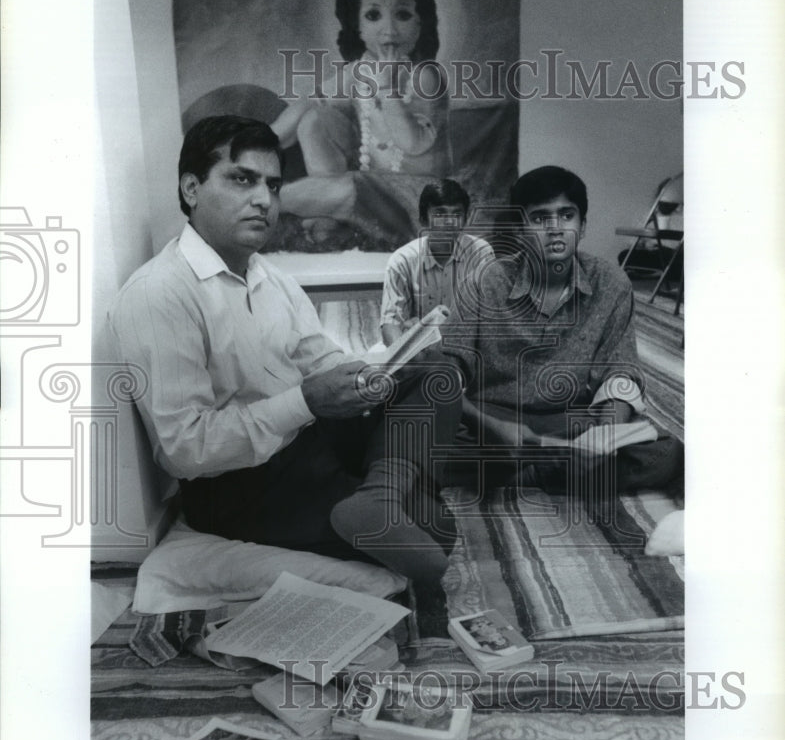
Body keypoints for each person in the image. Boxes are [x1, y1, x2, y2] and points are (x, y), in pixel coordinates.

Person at [110, 116, 464, 633]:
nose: (263, 199)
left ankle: (379, 494)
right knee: (436, 529)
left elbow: (322, 360)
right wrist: (307, 401)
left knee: (435, 369)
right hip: (239, 489)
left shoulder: (270, 276)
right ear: (191, 188)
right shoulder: (159, 294)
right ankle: (383, 493)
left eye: (272, 185)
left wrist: (374, 374)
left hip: (312, 442)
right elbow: (185, 448)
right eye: (241, 179)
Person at [443, 165, 683, 495]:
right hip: (494, 418)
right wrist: (489, 426)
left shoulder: (610, 282)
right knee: (418, 434)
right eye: (540, 218)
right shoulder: (486, 281)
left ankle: (524, 475)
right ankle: (553, 472)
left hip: (570, 419)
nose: (555, 229)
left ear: (582, 226)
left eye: (566, 215)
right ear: (519, 230)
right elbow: (448, 367)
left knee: (664, 452)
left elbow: (619, 371)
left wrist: (606, 437)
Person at [271, 0, 453, 249]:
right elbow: (312, 101)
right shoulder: (360, 70)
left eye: (404, 14)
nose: (389, 29)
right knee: (312, 118)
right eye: (373, 15)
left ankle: (265, 202)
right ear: (357, 25)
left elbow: (412, 143)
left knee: (349, 188)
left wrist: (386, 88)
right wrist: (264, 141)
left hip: (419, 198)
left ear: (421, 23)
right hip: (370, 185)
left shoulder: (425, 75)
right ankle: (328, 210)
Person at [379, 178, 496, 347]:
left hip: (466, 348)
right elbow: (391, 322)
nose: (449, 222)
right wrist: (401, 360)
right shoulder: (402, 260)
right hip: (418, 347)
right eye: (440, 214)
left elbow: (490, 317)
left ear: (466, 219)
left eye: (457, 214)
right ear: (423, 220)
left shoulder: (481, 254)